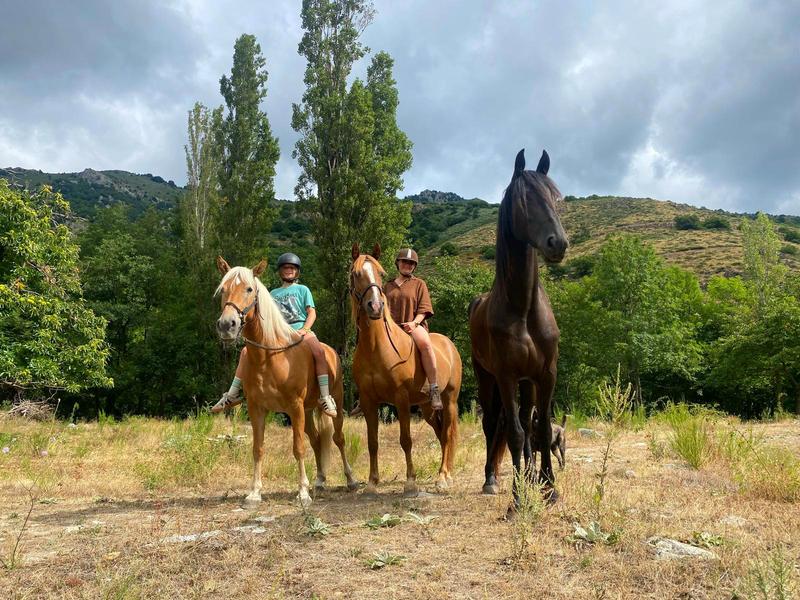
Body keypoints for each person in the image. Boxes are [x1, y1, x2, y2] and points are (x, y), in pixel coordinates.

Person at [211, 253, 337, 418]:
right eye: (285, 268)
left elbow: (311, 312)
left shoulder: (302, 289)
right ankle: (232, 394)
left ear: (297, 271)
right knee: (245, 352)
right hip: (279, 332)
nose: (288, 271)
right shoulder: (273, 293)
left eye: (292, 268)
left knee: (319, 352)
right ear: (280, 271)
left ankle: (325, 396)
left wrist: (305, 329)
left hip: (300, 329)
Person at [351, 248, 441, 415]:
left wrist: (414, 323)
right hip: (390, 329)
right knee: (363, 348)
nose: (407, 265)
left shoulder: (419, 284)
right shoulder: (387, 286)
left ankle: (434, 388)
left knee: (426, 344)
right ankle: (362, 396)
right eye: (404, 262)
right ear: (398, 263)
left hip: (412, 326)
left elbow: (424, 309)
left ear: (414, 266)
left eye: (410, 263)